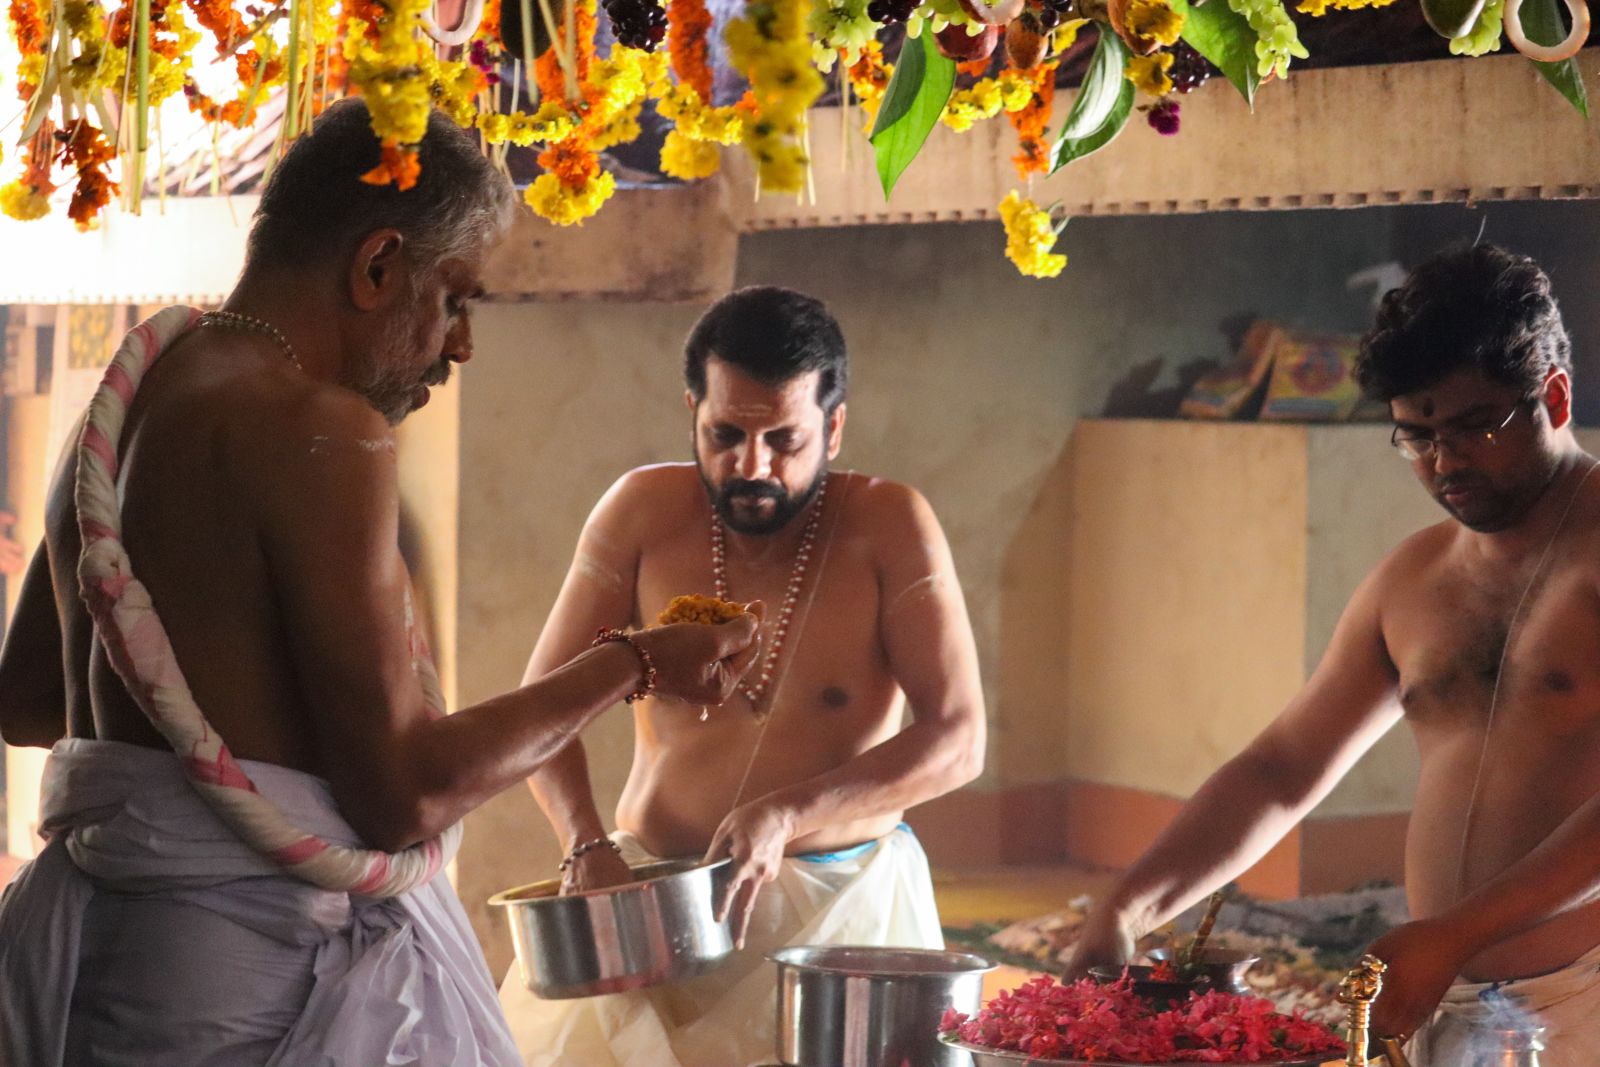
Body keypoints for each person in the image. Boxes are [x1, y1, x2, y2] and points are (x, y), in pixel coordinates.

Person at [0, 100, 759, 1067]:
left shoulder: (121, 409)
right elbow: (402, 796)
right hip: (242, 984)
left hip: (99, 966)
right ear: (377, 266)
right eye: (455, 298)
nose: (460, 342)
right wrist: (635, 663)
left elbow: (27, 702)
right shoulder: (325, 431)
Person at [1067, 243, 1600, 1066]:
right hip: (1436, 995)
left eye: (1472, 427)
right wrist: (1132, 901)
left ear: (1554, 397)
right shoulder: (1415, 578)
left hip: (1583, 994)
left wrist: (1454, 933)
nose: (1445, 462)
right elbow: (1282, 766)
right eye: (1416, 436)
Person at [498, 286, 987, 1066]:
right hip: (651, 909)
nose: (750, 466)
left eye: (784, 440)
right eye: (725, 433)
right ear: (692, 407)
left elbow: (959, 741)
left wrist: (791, 811)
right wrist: (583, 843)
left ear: (834, 424)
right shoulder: (640, 510)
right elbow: (539, 713)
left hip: (840, 913)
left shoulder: (891, 524)